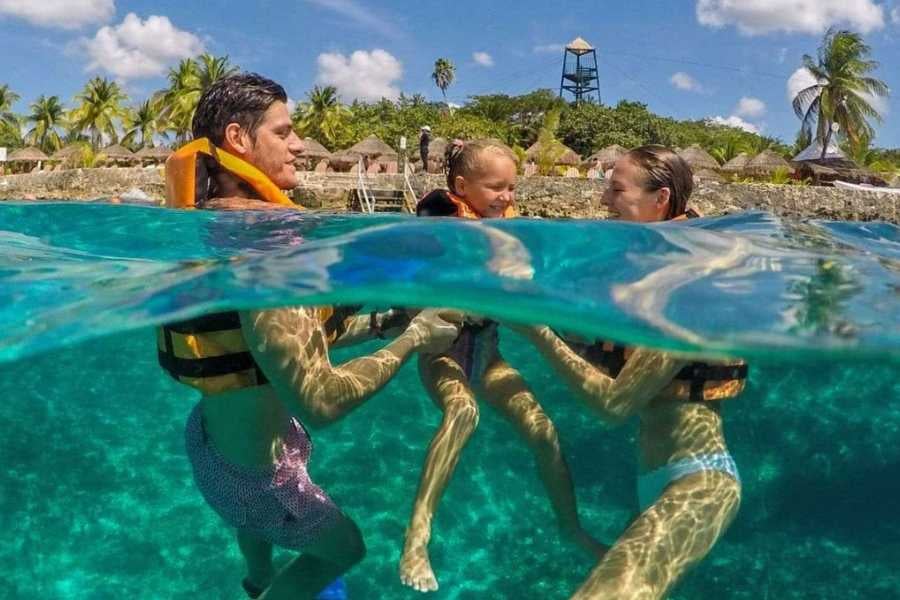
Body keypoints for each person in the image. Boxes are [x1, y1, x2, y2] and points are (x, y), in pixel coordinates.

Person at [158, 73, 462, 600]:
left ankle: (256, 580)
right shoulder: (270, 245)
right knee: (347, 549)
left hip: (210, 443)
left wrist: (385, 322)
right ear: (237, 139)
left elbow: (274, 349)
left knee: (256, 535)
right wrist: (412, 337)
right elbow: (319, 399)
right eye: (284, 132)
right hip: (255, 479)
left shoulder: (208, 226)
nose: (299, 145)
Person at [517, 145, 745, 600]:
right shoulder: (647, 279)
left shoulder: (689, 287)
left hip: (701, 481)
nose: (603, 200)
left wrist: (535, 330)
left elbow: (614, 403)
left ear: (659, 200)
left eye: (617, 190)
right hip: (658, 482)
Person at [400, 139, 605, 593]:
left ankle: (570, 528)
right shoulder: (442, 227)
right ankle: (417, 537)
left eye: (512, 187)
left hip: (489, 354)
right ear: (461, 186)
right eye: (496, 187)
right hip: (444, 354)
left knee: (543, 430)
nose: (508, 197)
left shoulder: (507, 230)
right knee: (463, 412)